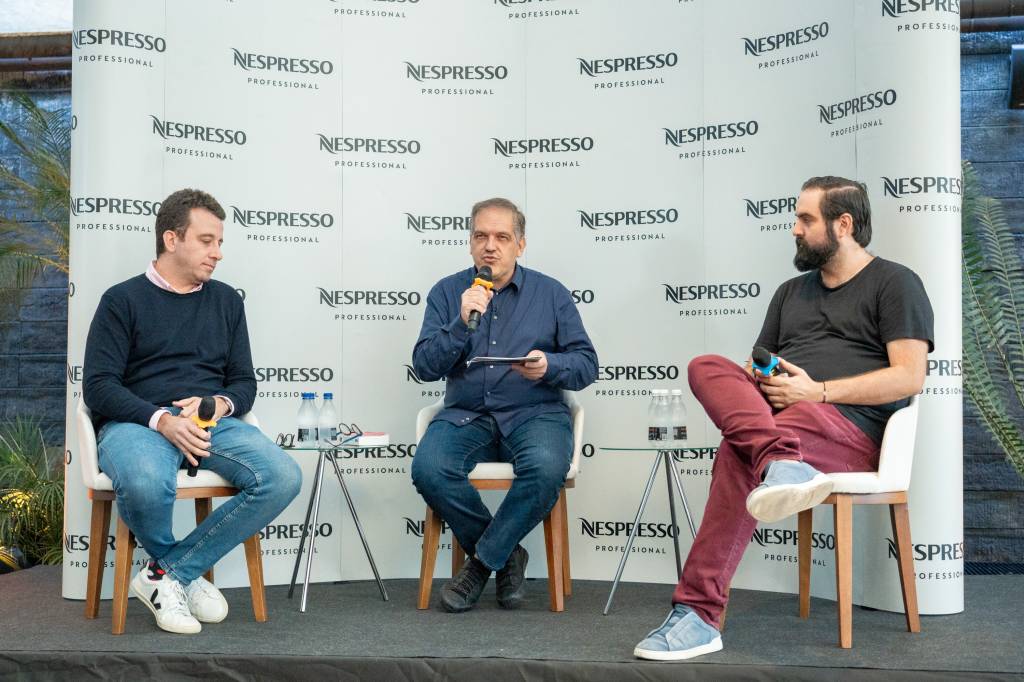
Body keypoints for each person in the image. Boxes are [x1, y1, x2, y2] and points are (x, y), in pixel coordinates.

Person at [634, 176, 934, 661]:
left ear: (843, 224)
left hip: (848, 427)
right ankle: (780, 459)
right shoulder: (790, 292)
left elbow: (909, 376)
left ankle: (698, 615)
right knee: (706, 366)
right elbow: (761, 363)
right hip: (783, 418)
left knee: (738, 451)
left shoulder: (896, 282)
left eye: (805, 219)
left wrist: (816, 391)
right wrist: (765, 377)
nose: (794, 228)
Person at [83, 189, 302, 635]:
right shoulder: (121, 300)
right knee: (145, 482)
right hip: (137, 422)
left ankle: (168, 574)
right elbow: (99, 386)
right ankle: (181, 573)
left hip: (210, 423)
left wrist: (219, 403)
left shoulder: (225, 301)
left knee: (282, 476)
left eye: (220, 242)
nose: (218, 253)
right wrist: (162, 421)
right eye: (207, 241)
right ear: (171, 239)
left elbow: (244, 383)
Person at [411, 197, 598, 613]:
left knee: (547, 467)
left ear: (520, 244)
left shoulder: (551, 294)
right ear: (470, 243)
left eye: (501, 237)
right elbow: (424, 366)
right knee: (429, 468)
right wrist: (461, 323)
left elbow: (587, 365)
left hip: (535, 413)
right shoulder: (448, 293)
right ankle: (507, 556)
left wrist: (550, 365)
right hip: (467, 417)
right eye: (481, 236)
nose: (490, 246)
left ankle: (479, 566)